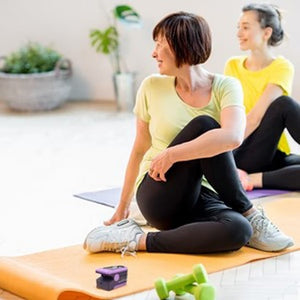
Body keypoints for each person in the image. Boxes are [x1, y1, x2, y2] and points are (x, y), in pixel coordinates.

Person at [84, 11, 294, 255]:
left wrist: (172, 154)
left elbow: (233, 137)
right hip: (160, 191)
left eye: (160, 45)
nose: (154, 53)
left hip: (203, 193)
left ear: (180, 46)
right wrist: (122, 207)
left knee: (239, 230)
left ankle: (134, 241)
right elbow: (140, 149)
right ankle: (251, 212)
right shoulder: (151, 86)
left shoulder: (225, 86)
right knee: (205, 125)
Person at [224, 3, 300, 191]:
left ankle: (254, 178)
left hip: (270, 153)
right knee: (284, 104)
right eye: (239, 27)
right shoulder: (232, 66)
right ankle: (252, 176)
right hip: (241, 150)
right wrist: (225, 159)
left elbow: (258, 118)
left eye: (246, 27)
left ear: (266, 33)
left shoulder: (282, 67)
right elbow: (250, 119)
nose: (239, 33)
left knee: (284, 104)